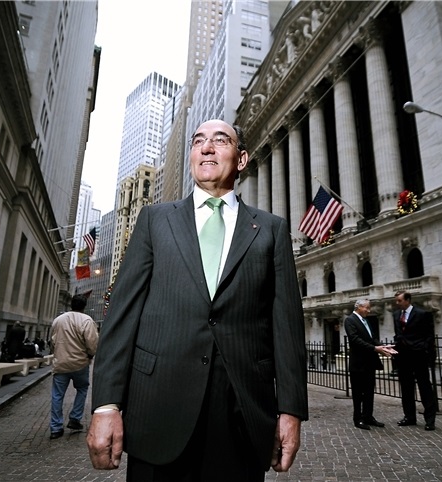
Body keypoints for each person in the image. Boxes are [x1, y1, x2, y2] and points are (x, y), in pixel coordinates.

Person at [87, 119, 308, 481]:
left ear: (241, 159)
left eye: (221, 140)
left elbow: (287, 328)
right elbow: (121, 317)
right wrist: (106, 405)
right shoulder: (155, 220)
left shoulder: (271, 229)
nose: (206, 147)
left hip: (241, 420)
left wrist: (291, 411)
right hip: (157, 412)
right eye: (198, 141)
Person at [49, 294, 99, 440]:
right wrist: (90, 355)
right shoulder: (87, 320)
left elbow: (52, 341)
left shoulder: (58, 320)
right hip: (79, 363)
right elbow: (92, 343)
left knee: (57, 395)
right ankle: (75, 418)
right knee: (82, 389)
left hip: (61, 363)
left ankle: (55, 428)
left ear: (71, 304)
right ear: (84, 306)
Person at [343, 299, 397, 430]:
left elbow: (372, 339)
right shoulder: (350, 320)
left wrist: (383, 347)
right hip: (358, 363)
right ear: (359, 307)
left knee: (369, 391)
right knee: (358, 393)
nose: (369, 310)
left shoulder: (366, 321)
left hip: (369, 362)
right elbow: (355, 340)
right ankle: (358, 419)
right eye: (366, 308)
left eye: (369, 308)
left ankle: (368, 416)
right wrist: (375, 349)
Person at [392, 290, 437, 431]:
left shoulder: (422, 314)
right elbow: (398, 333)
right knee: (406, 388)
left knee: (424, 387)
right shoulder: (396, 315)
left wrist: (425, 351)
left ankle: (430, 420)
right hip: (403, 356)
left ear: (408, 300)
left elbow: (429, 336)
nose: (397, 303)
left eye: (399, 300)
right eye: (396, 300)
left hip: (418, 355)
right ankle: (409, 417)